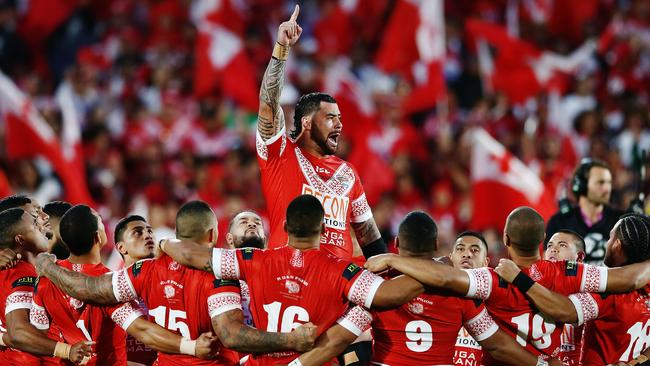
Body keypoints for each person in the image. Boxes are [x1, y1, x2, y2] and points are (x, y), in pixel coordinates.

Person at [34, 200, 318, 366]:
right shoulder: (222, 275)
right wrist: (290, 341)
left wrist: (48, 267)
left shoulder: (142, 272)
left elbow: (90, 290)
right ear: (213, 236)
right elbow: (231, 336)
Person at [158, 195, 424, 365]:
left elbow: (190, 254)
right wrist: (425, 269)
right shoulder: (341, 271)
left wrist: (163, 241)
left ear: (283, 227)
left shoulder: (252, 261)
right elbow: (390, 295)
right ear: (322, 229)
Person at [365, 206, 650, 364]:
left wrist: (392, 259)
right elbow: (628, 278)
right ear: (543, 242)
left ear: (505, 239)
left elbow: (444, 278)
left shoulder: (490, 279)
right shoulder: (571, 272)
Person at [290, 212, 559, 366]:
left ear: (395, 243)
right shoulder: (459, 291)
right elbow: (497, 345)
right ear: (435, 247)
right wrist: (541, 365)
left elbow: (338, 339)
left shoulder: (378, 287)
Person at [255, 5, 386, 260]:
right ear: (306, 123)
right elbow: (268, 106)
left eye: (339, 118)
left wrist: (387, 274)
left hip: (337, 286)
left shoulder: (348, 173)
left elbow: (369, 236)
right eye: (330, 118)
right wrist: (281, 50)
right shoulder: (281, 152)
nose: (339, 125)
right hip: (287, 276)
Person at [29, 204, 220, 365]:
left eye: (149, 231)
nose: (147, 235)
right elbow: (143, 330)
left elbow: (38, 335)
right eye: (101, 222)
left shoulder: (45, 279)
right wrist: (192, 346)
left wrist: (65, 351)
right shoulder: (110, 285)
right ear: (98, 237)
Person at [495, 214, 650, 365]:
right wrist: (638, 361)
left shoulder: (605, 293)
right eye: (549, 245)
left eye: (609, 238)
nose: (553, 250)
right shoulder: (646, 285)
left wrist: (519, 279)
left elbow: (565, 310)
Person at [0, 208, 92, 364]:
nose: (42, 227)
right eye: (35, 224)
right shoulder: (22, 273)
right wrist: (67, 351)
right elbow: (18, 332)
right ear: (20, 239)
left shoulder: (15, 270)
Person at [546, 158, 622, 265]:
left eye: (609, 183)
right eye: (600, 182)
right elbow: (548, 265)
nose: (607, 189)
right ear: (581, 185)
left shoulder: (621, 220)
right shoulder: (559, 222)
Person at [543, 230, 586, 365]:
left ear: (579, 257)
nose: (553, 250)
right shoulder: (531, 290)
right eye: (549, 245)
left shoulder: (591, 295)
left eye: (562, 245)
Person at [448, 231, 490, 365]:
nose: (467, 254)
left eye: (475, 250)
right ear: (450, 258)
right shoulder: (434, 297)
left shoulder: (496, 302)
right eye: (460, 249)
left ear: (486, 262)